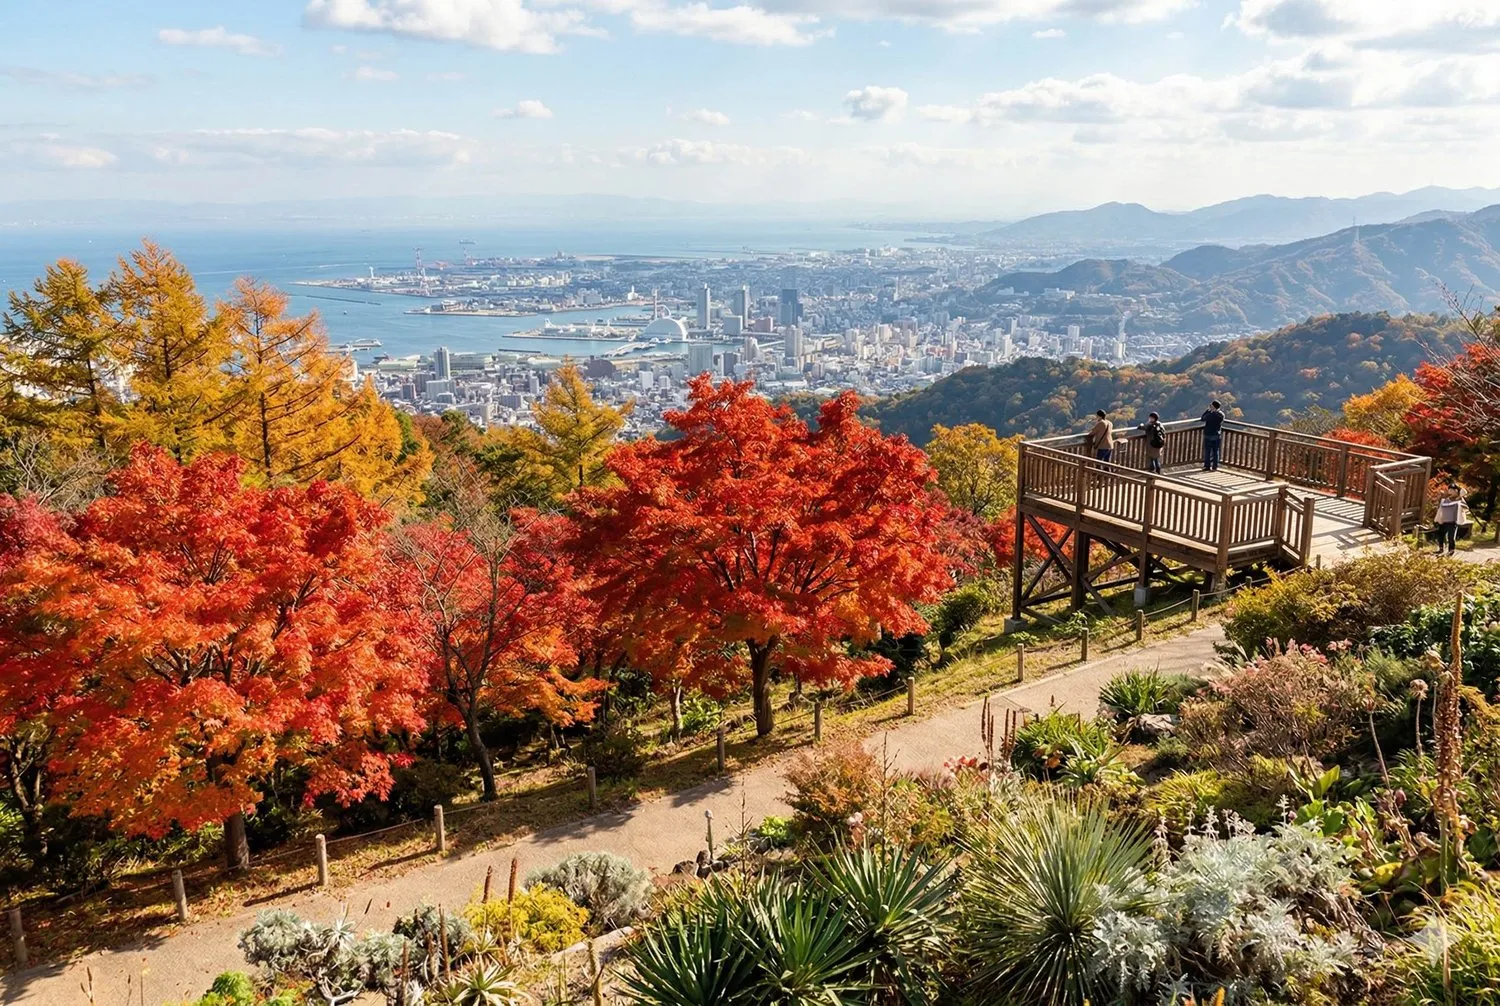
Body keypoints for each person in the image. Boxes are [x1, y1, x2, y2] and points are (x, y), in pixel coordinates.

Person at [1434, 484, 1466, 555]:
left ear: (1456, 491)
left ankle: (1451, 550)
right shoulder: (1445, 500)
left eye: (1451, 490)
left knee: (1451, 537)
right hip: (1443, 521)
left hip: (1452, 522)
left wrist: (1460, 498)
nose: (1449, 492)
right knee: (1441, 535)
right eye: (1449, 490)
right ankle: (1441, 549)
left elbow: (1465, 508)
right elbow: (1440, 509)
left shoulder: (1460, 500)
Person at [1201, 401, 1224, 471]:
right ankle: (1215, 466)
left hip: (1208, 434)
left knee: (1207, 451)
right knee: (1215, 451)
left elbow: (1202, 418)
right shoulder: (1221, 414)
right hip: (1217, 434)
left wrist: (1208, 411)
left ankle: (1207, 466)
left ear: (1213, 406)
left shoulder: (1211, 414)